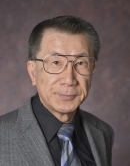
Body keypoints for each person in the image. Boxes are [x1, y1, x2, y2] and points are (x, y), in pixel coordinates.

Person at [0, 16, 114, 166]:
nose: (69, 79)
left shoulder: (103, 133)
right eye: (56, 62)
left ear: (92, 70)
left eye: (80, 63)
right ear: (33, 72)